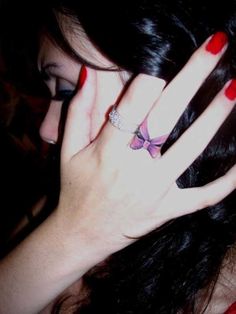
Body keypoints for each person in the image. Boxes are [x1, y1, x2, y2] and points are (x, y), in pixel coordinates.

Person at [0, 0, 236, 313]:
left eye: (69, 92)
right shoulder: (59, 202)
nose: (45, 129)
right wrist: (72, 236)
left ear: (182, 102)